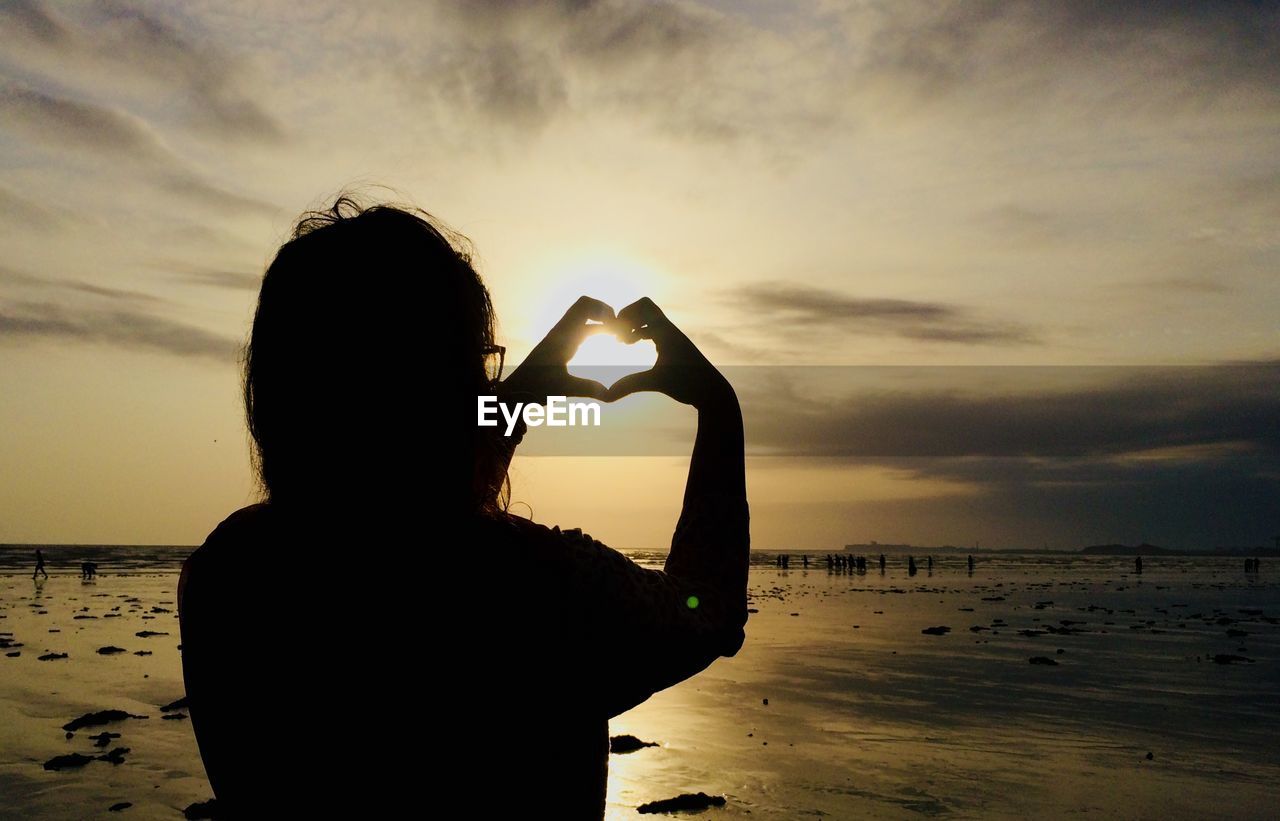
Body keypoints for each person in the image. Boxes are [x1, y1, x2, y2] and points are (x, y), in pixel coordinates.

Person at [176, 196, 749, 818]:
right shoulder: (540, 584)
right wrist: (718, 408)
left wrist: (521, 393)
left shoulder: (226, 576)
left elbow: (398, 484)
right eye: (476, 366)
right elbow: (708, 609)